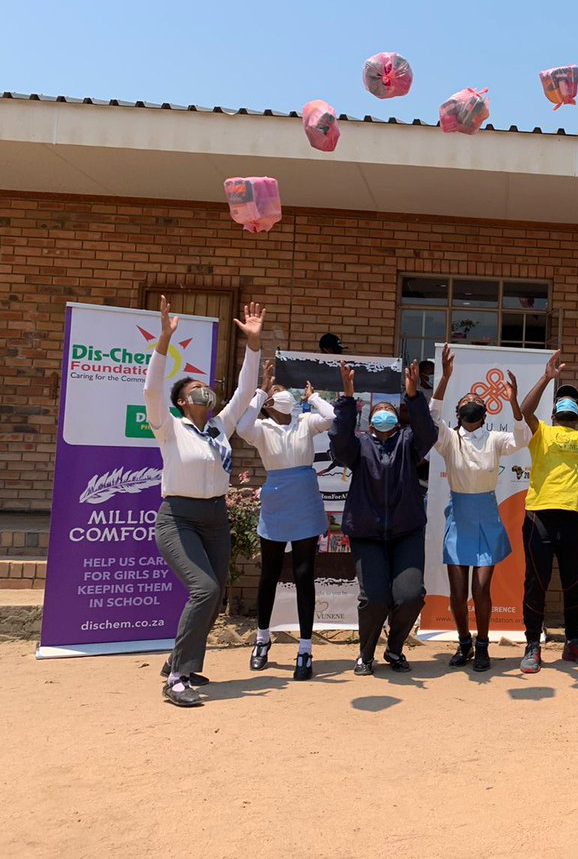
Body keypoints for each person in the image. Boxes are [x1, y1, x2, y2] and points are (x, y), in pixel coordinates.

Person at [146, 295, 264, 707]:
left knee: (213, 595)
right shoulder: (169, 426)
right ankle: (176, 678)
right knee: (204, 588)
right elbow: (152, 388)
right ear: (181, 401)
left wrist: (253, 343)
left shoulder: (219, 428)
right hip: (178, 518)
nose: (204, 392)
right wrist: (164, 340)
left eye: (205, 388)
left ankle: (179, 661)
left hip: (215, 517)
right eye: (195, 389)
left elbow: (246, 389)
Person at [331, 360, 437, 676]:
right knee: (374, 598)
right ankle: (365, 654)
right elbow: (339, 440)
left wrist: (413, 396)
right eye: (379, 411)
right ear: (370, 420)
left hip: (406, 531)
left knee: (411, 596)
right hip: (367, 533)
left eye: (390, 410)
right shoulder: (359, 446)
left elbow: (427, 433)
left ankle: (394, 648)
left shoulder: (409, 443)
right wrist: (347, 397)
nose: (384, 414)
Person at [429, 344, 528, 672]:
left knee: (481, 588)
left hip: (486, 516)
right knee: (458, 593)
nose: (471, 401)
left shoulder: (495, 439)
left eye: (477, 401)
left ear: (485, 414)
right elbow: (431, 418)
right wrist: (445, 379)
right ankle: (464, 642)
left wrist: (514, 402)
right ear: (459, 412)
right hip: (459, 518)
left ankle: (483, 645)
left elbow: (522, 439)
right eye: (466, 401)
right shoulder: (448, 439)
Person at [236, 363, 334, 681]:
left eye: (282, 391)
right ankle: (262, 639)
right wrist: (261, 390)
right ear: (268, 403)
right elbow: (241, 426)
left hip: (305, 500)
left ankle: (305, 649)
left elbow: (332, 416)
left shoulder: (305, 421)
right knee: (270, 574)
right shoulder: (261, 428)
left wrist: (312, 397)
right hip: (277, 502)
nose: (284, 395)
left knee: (304, 574)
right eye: (278, 393)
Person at [517, 350, 578, 673]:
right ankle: (532, 644)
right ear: (555, 410)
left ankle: (573, 642)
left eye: (572, 400)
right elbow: (523, 412)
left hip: (573, 519)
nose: (567, 403)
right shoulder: (542, 431)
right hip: (539, 517)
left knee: (574, 585)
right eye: (562, 400)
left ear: (577, 411)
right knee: (536, 583)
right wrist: (547, 378)